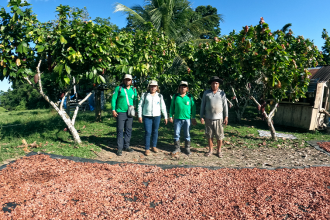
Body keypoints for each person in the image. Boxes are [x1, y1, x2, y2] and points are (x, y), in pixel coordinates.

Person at [200, 76, 228, 158]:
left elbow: (225, 106)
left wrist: (226, 116)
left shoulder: (222, 93)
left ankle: (219, 151)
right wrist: (201, 116)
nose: (214, 85)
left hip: (219, 118)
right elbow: (202, 105)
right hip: (208, 118)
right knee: (209, 135)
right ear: (211, 84)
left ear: (218, 84)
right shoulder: (206, 93)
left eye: (216, 83)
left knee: (219, 136)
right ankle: (210, 150)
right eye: (213, 83)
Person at [138, 80, 168, 156]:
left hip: (157, 116)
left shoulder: (160, 96)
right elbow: (140, 105)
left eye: (154, 86)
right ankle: (147, 148)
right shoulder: (145, 95)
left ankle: (154, 146)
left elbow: (163, 107)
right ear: (149, 87)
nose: (153, 88)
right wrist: (139, 115)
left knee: (155, 131)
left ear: (157, 87)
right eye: (151, 86)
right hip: (147, 116)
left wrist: (165, 116)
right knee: (148, 132)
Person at [111, 74, 138, 156]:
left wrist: (136, 110)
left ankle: (126, 146)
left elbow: (136, 100)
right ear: (123, 80)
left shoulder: (133, 89)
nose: (127, 81)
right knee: (120, 130)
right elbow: (113, 99)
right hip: (121, 112)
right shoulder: (119, 88)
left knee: (128, 129)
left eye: (129, 80)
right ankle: (119, 148)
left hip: (130, 112)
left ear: (131, 81)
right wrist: (113, 109)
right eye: (126, 79)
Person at [169, 81, 196, 155]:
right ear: (179, 87)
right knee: (176, 133)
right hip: (177, 118)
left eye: (185, 86)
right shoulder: (175, 96)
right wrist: (170, 116)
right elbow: (171, 107)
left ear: (187, 88)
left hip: (187, 119)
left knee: (187, 134)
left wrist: (193, 117)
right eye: (181, 86)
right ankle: (177, 148)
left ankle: (187, 148)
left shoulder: (190, 97)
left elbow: (193, 107)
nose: (183, 88)